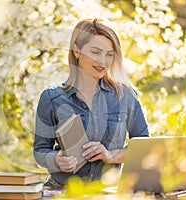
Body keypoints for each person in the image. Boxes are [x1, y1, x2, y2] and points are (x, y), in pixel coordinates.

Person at [33, 18, 149, 187]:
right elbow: (40, 150)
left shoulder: (126, 96)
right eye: (96, 52)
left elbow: (143, 147)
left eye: (109, 54)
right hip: (63, 192)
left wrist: (110, 156)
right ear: (76, 50)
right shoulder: (52, 97)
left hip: (107, 193)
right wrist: (56, 160)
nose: (103, 61)